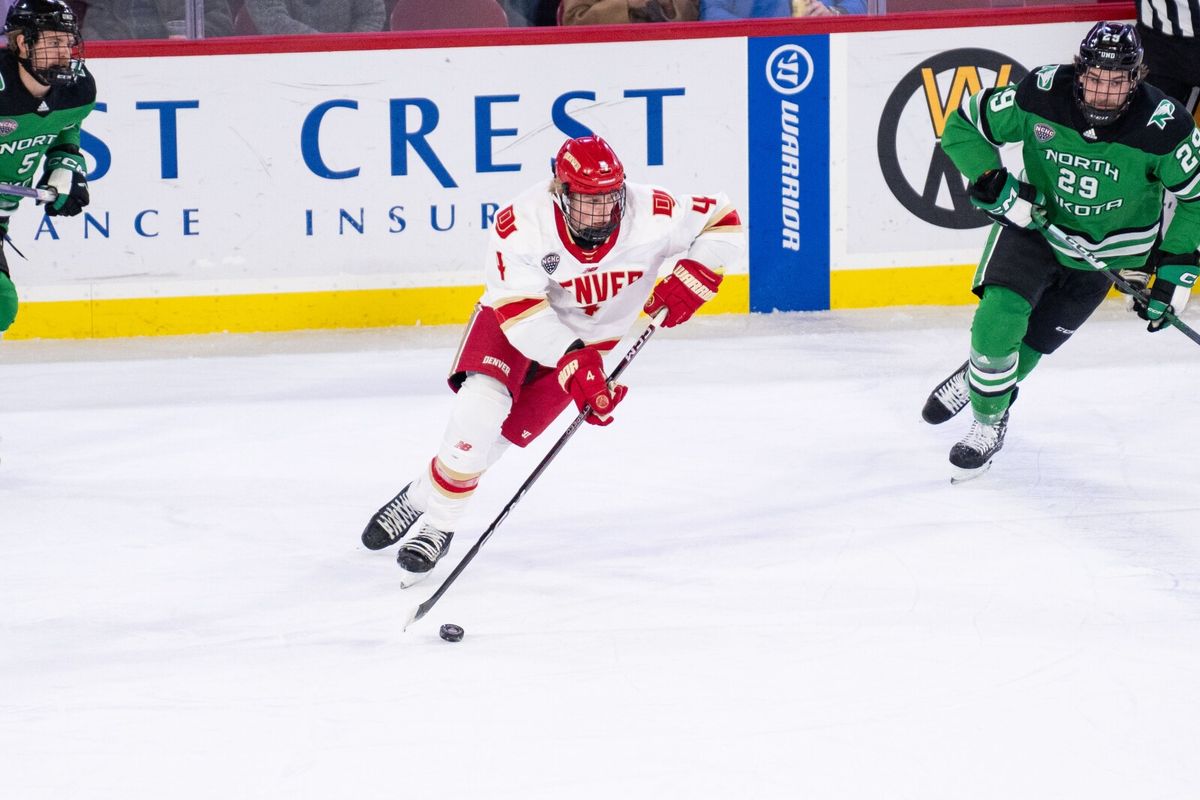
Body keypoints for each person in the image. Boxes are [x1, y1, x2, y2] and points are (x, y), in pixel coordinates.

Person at [360, 134, 744, 584]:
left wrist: (699, 272)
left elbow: (723, 219)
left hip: (593, 343)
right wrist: (569, 359)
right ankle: (440, 526)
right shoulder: (520, 223)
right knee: (477, 411)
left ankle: (419, 495)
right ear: (559, 193)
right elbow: (521, 313)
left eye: (608, 200)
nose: (601, 213)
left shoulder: (652, 212)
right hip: (517, 322)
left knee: (495, 443)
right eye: (587, 201)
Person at [921, 21, 1200, 482]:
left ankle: (979, 379)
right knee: (998, 320)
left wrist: (1174, 274)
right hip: (1035, 228)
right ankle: (988, 421)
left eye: (1117, 81)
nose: (1103, 91)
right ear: (1080, 69)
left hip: (1111, 256)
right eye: (1095, 77)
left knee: (1032, 345)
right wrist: (993, 183)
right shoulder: (1042, 93)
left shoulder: (1166, 126)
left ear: (1137, 78)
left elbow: (1194, 199)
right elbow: (964, 124)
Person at [0, 0, 95, 337]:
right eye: (54, 43)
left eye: (68, 43)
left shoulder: (77, 90)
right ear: (23, 43)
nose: (65, 53)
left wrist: (65, 162)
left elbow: (67, 125)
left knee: (1, 306)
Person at [82, 0, 234, 39]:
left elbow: (220, 24)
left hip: (183, 66)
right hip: (118, 69)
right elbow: (89, 34)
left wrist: (189, 37)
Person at [242, 0, 385, 34]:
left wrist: (348, 50)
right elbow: (272, 18)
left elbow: (371, 15)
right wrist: (326, 48)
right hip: (284, 65)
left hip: (351, 64)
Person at [561, 0, 698, 25]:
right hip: (606, 56)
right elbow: (573, 20)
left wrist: (669, 6)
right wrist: (627, 4)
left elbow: (698, 17)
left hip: (670, 57)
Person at [700, 0, 866, 19]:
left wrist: (833, 13)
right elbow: (711, 12)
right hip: (749, 57)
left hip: (824, 48)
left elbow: (860, 5)